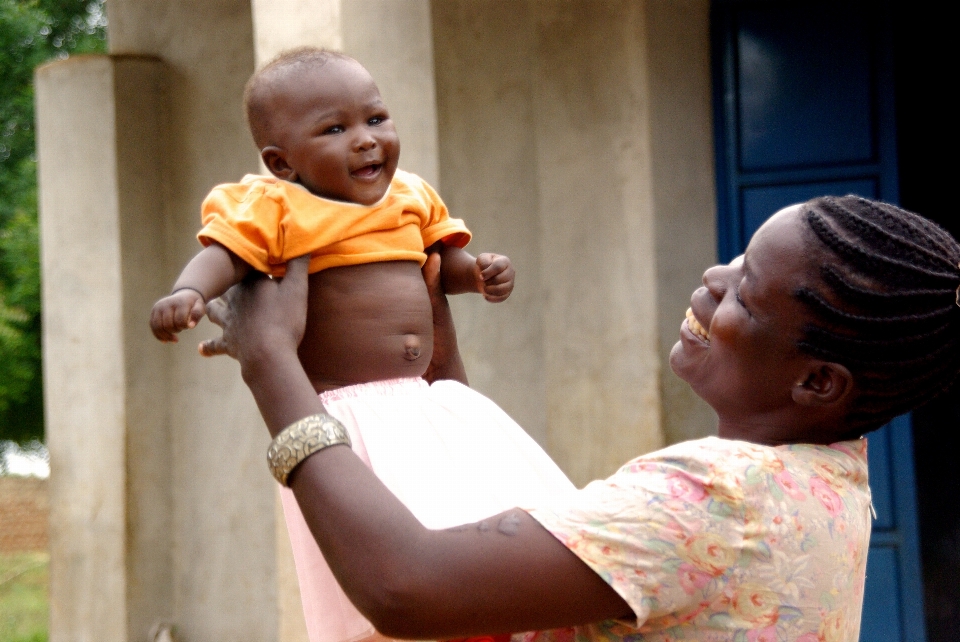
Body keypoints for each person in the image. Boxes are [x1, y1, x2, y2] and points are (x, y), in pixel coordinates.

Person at [202, 195, 960, 641]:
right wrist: (434, 363)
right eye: (735, 258)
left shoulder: (713, 498)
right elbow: (498, 547)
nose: (711, 278)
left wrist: (271, 362)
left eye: (744, 291)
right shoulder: (829, 483)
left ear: (819, 381)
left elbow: (408, 585)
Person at [150, 47, 575, 642]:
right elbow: (221, 253)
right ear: (281, 161)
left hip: (429, 399)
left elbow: (438, 263)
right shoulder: (276, 207)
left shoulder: (410, 195)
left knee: (492, 516)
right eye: (334, 129)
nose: (366, 140)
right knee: (399, 532)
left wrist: (476, 273)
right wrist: (188, 292)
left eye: (375, 119)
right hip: (346, 413)